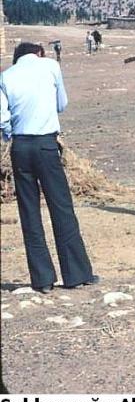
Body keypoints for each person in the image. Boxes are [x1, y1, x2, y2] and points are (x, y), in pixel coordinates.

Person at [0, 42, 99, 294]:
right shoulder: (51, 66)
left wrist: (12, 135)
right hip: (46, 144)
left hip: (21, 146)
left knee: (29, 211)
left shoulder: (6, 76)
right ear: (39, 53)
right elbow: (61, 104)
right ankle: (76, 273)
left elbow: (2, 118)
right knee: (61, 206)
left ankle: (42, 278)